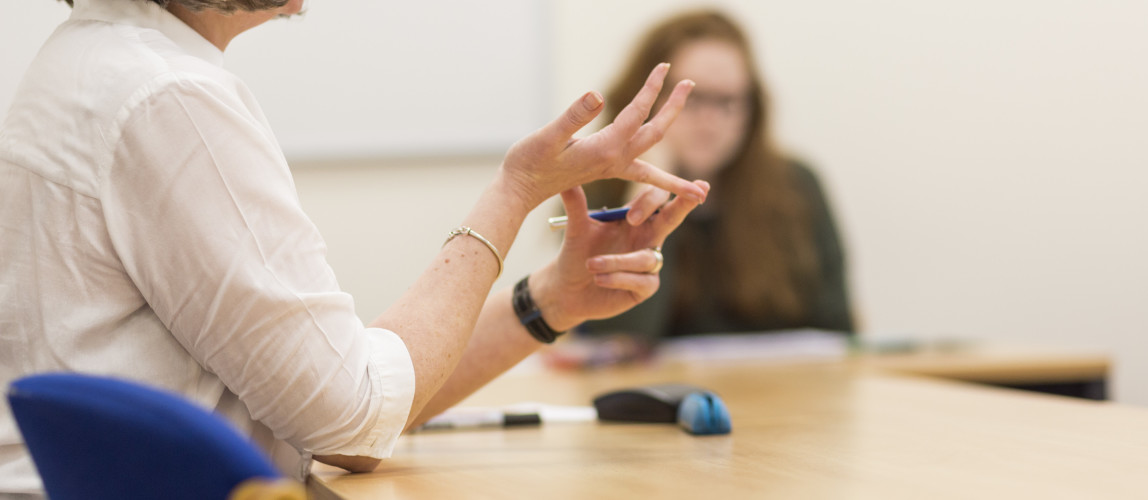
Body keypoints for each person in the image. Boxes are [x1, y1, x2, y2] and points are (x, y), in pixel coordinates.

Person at [0, 0, 710, 496]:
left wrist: (553, 297)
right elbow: (352, 419)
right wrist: (514, 192)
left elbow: (346, 391)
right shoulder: (169, 96)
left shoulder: (90, 60)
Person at [581, 10, 854, 342]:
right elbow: (621, 339)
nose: (709, 120)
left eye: (727, 101)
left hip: (784, 390)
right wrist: (647, 196)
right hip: (660, 393)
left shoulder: (797, 186)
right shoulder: (599, 192)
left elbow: (837, 334)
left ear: (752, 110)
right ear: (644, 99)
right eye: (691, 98)